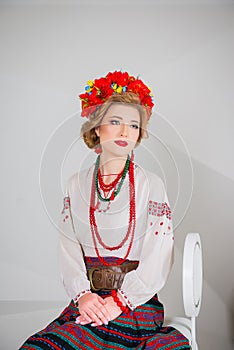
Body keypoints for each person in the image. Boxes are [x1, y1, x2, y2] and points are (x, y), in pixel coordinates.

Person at [20, 71, 190, 349]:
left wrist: (119, 302)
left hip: (135, 304)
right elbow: (68, 248)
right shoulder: (76, 184)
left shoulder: (151, 185)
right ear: (97, 127)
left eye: (134, 125)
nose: (125, 132)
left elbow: (158, 257)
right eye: (115, 121)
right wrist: (83, 296)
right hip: (89, 301)